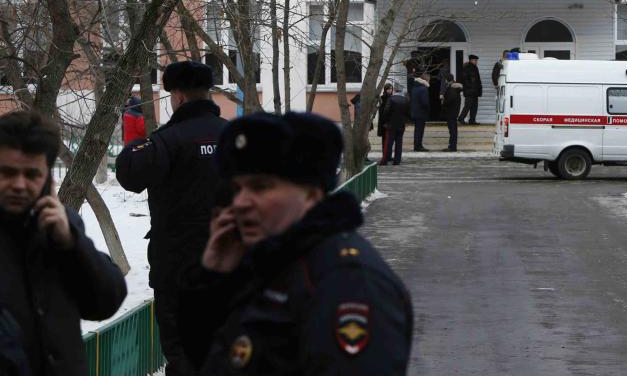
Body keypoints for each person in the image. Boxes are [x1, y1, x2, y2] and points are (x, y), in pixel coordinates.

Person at [177, 112, 413, 374]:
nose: (241, 202)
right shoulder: (267, 262)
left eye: (260, 187)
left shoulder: (347, 282)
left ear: (311, 194)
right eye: (238, 189)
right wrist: (213, 280)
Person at [115, 61, 228, 376]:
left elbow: (130, 175)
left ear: (177, 96)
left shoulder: (167, 140)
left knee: (183, 354)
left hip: (179, 269)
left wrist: (137, 143)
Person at [0, 111, 126, 376]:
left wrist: (72, 243)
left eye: (32, 174)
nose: (19, 185)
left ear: (48, 178)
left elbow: (106, 302)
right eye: (7, 173)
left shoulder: (61, 227)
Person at [381, 90, 410, 166]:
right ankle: (397, 160)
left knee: (389, 143)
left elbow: (386, 111)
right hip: (401, 125)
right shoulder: (406, 100)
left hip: (391, 124)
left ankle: (385, 160)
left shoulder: (391, 99)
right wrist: (405, 121)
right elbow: (408, 112)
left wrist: (385, 121)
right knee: (399, 143)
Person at [441, 72, 463, 152]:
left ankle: (452, 147)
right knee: (453, 130)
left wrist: (444, 101)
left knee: (452, 131)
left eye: (445, 80)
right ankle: (452, 146)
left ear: (447, 80)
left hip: (451, 113)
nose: (444, 82)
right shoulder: (454, 88)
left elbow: (450, 100)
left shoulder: (452, 89)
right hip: (453, 112)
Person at [458, 54, 482, 125]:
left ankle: (472, 120)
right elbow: (465, 80)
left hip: (475, 91)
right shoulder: (466, 68)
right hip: (469, 91)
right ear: (471, 60)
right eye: (475, 60)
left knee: (474, 106)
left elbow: (477, 80)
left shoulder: (475, 68)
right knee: (468, 106)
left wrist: (479, 89)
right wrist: (471, 87)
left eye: (476, 60)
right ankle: (461, 118)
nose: (476, 61)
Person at [411, 73, 431, 152]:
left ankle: (417, 145)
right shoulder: (423, 89)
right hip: (421, 112)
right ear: (426, 80)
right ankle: (418, 146)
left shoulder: (414, 88)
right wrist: (428, 109)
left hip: (415, 112)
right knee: (420, 130)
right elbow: (425, 102)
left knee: (417, 130)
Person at [376, 83, 394, 159]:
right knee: (386, 140)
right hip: (386, 122)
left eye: (391, 89)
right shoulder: (385, 98)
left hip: (386, 122)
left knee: (387, 140)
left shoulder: (388, 98)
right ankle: (386, 155)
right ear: (386, 89)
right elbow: (384, 111)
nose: (391, 90)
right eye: (389, 89)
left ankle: (387, 155)